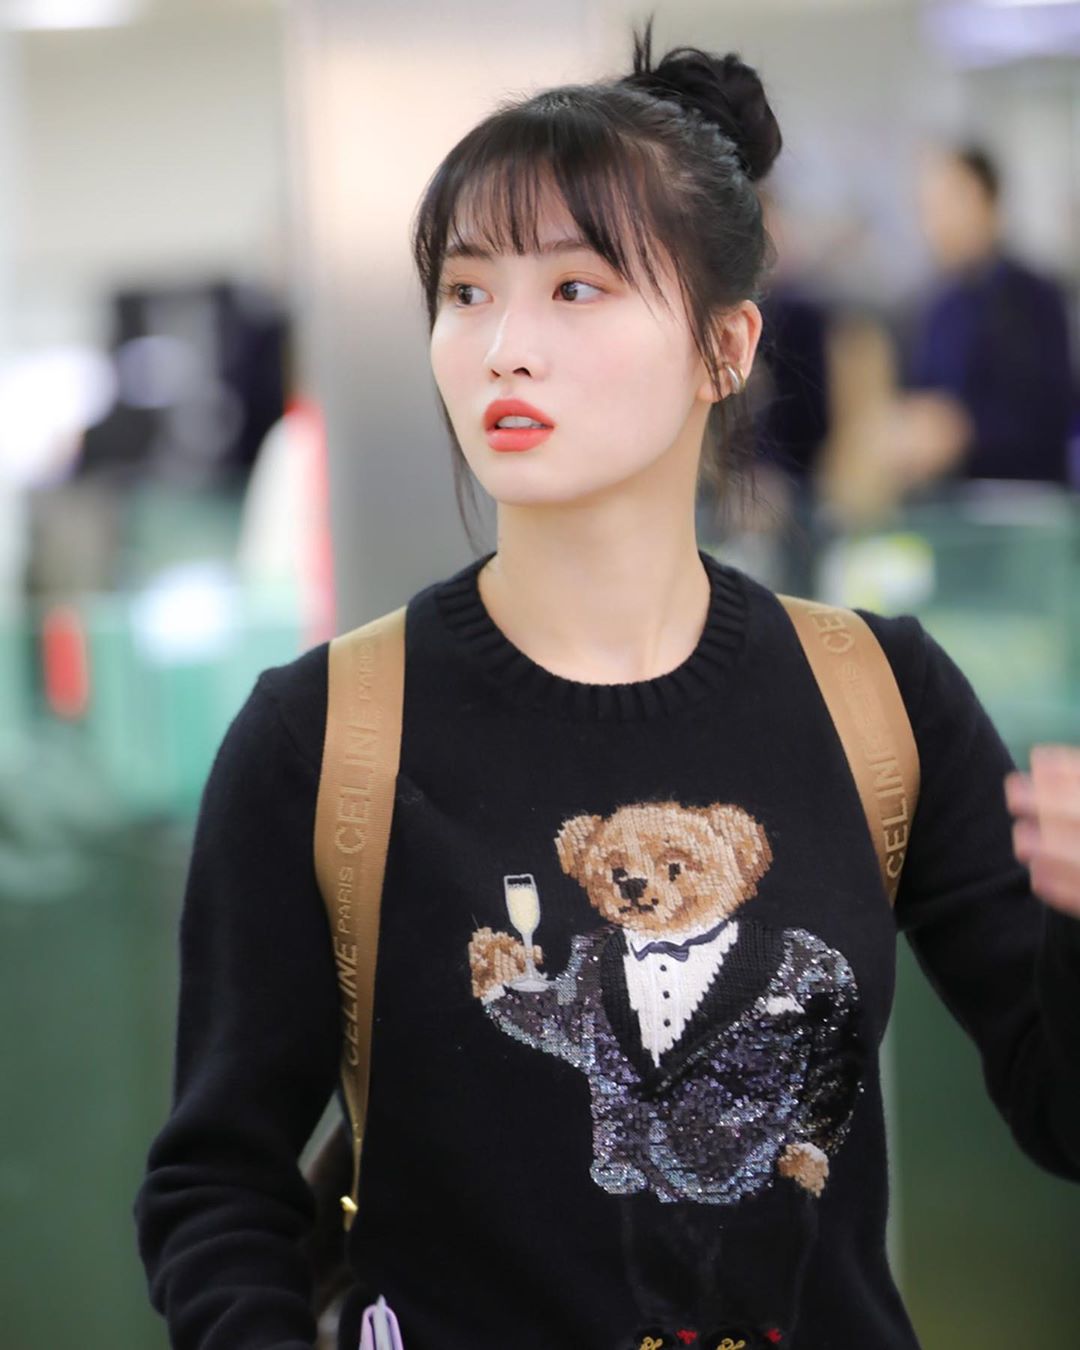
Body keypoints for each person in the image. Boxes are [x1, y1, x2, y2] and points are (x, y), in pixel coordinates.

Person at [132, 16, 1080, 1350]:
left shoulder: (882, 694)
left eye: (575, 289)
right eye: (467, 290)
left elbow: (1060, 1114)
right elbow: (215, 1186)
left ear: (726, 347)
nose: (503, 346)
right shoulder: (325, 734)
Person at [891, 141, 1075, 491]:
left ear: (981, 198)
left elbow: (1050, 416)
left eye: (945, 203)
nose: (933, 222)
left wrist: (964, 430)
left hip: (1026, 499)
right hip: (949, 498)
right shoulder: (937, 308)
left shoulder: (1037, 299)